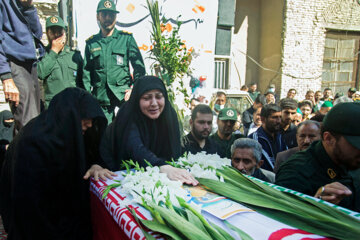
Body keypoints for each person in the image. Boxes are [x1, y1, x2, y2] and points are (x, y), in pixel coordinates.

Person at [0, 88, 115, 239]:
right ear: (68, 115)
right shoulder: (32, 143)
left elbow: (90, 151)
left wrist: (95, 165)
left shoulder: (70, 132)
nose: (88, 126)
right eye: (84, 121)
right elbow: (29, 209)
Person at [100, 76, 198, 185]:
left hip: (158, 174)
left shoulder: (168, 115)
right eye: (147, 98)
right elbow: (135, 147)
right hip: (119, 174)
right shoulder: (127, 115)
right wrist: (162, 166)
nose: (154, 103)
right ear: (137, 99)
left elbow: (174, 151)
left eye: (159, 97)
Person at [276, 102, 360, 212]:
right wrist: (315, 205)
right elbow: (282, 220)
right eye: (356, 144)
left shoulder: (352, 160)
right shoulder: (296, 171)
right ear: (328, 138)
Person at [83, 0, 146, 123]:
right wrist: (88, 98)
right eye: (104, 14)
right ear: (97, 16)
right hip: (101, 99)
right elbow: (86, 74)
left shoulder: (126, 39)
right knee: (104, 136)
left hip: (124, 96)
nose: (108, 18)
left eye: (111, 15)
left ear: (116, 17)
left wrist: (134, 89)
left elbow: (139, 67)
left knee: (128, 133)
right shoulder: (91, 43)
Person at [0, 0, 44, 133]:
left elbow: (38, 34)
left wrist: (28, 7)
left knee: (35, 121)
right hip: (15, 65)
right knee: (28, 124)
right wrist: (6, 77)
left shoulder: (26, 5)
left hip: (31, 65)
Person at [37, 16, 83, 108]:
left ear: (65, 33)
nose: (56, 35)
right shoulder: (44, 54)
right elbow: (40, 73)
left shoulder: (74, 55)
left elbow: (83, 82)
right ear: (47, 34)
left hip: (73, 106)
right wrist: (54, 52)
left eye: (59, 32)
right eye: (53, 32)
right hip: (53, 107)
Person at [249, 104, 287, 172]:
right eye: (274, 117)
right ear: (263, 119)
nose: (278, 121)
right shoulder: (253, 139)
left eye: (280, 117)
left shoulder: (281, 137)